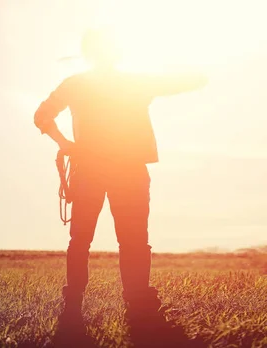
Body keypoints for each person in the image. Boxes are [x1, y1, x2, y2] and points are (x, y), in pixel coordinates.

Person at [34, 29, 208, 346]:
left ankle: (73, 307)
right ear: (117, 53)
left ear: (88, 54)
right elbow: (187, 81)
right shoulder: (134, 82)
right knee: (132, 242)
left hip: (91, 169)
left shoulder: (75, 83)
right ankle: (138, 306)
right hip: (126, 170)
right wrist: (197, 68)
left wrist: (65, 144)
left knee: (82, 241)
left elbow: (42, 116)